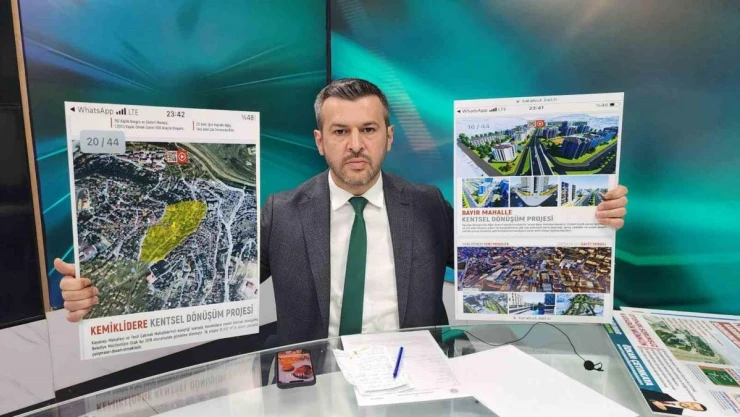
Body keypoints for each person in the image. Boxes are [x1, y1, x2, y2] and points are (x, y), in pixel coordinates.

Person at [55, 78, 629, 345]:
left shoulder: (427, 205)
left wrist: (586, 218)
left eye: (369, 130)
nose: (356, 145)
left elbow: (504, 263)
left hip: (416, 374)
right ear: (320, 140)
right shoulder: (280, 212)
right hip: (314, 380)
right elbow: (208, 288)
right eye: (340, 131)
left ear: (388, 137)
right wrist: (102, 288)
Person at [641, 388, 708, 414]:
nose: (690, 405)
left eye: (694, 408)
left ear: (694, 410)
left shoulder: (675, 414)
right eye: (692, 404)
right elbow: (642, 391)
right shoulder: (666, 396)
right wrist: (653, 401)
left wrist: (663, 410)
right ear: (692, 401)